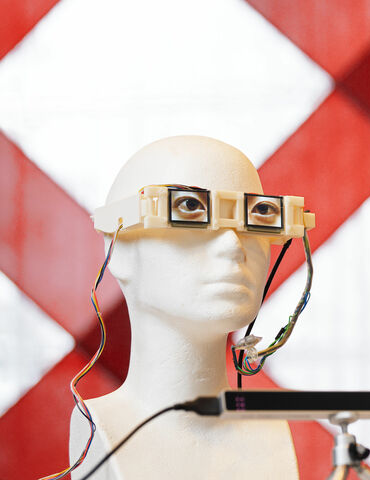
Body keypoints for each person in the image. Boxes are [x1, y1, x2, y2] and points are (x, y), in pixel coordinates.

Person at [69, 136, 299, 479]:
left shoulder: (273, 430)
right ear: (120, 247)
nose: (233, 246)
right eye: (189, 209)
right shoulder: (100, 429)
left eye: (258, 215)